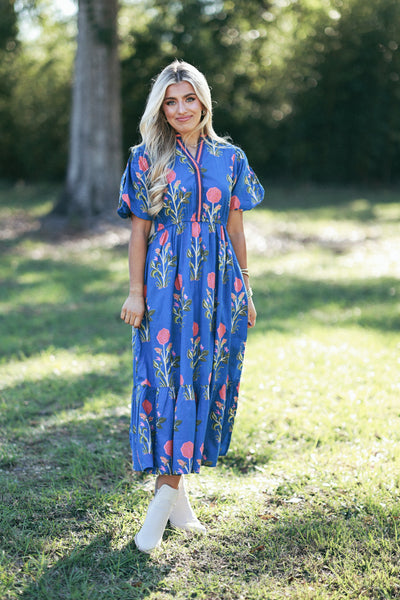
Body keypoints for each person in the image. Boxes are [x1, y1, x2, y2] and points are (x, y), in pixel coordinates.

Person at [117, 60, 264, 553]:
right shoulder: (146, 158)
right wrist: (136, 292)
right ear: (160, 107)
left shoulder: (231, 157)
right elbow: (138, 232)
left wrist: (244, 286)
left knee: (204, 375)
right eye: (170, 101)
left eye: (190, 99)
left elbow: (237, 229)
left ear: (204, 101)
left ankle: (173, 504)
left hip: (218, 285)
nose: (181, 110)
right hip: (163, 283)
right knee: (166, 379)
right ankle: (163, 507)